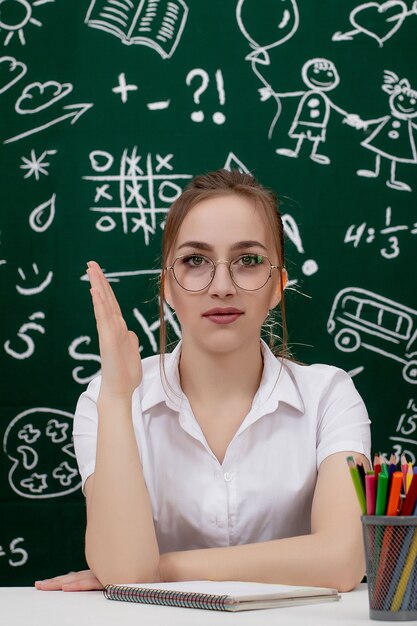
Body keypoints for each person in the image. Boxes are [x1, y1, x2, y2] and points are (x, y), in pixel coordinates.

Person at [35, 169, 371, 593]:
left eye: (248, 260)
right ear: (167, 289)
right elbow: (125, 570)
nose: (223, 287)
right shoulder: (109, 398)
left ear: (278, 286)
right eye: (195, 261)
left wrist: (160, 567)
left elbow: (342, 561)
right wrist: (118, 396)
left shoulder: (329, 396)